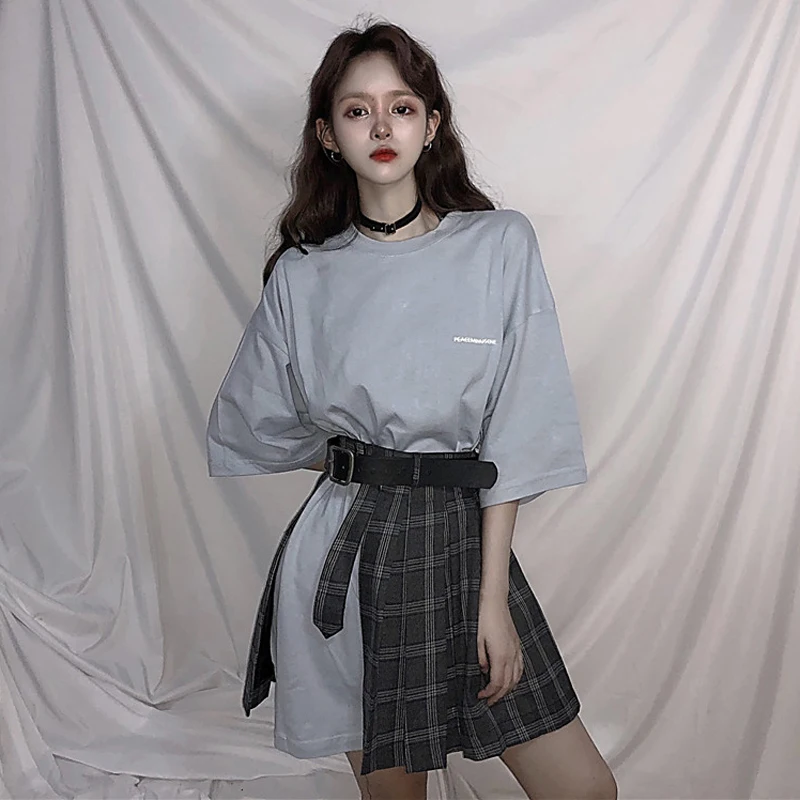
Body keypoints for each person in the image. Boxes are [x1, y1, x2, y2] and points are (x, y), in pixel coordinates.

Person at [206, 16, 618, 800]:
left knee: (584, 790)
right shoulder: (304, 275)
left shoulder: (499, 245)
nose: (381, 126)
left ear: (431, 125)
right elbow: (251, 421)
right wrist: (354, 456)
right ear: (328, 136)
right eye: (356, 110)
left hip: (463, 541)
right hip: (350, 546)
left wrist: (492, 600)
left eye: (400, 107)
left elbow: (518, 429)